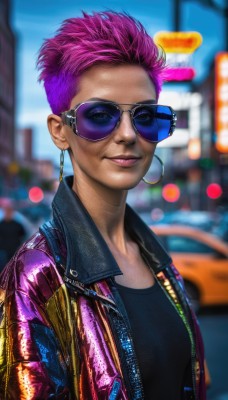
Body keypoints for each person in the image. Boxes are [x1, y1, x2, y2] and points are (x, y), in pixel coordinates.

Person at [0, 11, 206, 399]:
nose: (128, 135)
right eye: (100, 115)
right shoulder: (36, 277)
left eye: (146, 117)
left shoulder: (159, 261)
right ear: (60, 131)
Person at [0, 202, 26, 272]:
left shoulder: (17, 225)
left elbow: (23, 235)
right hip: (3, 251)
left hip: (14, 250)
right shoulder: (1, 224)